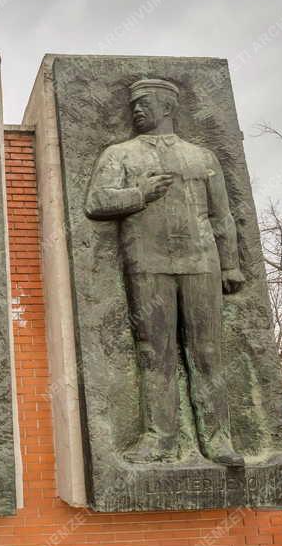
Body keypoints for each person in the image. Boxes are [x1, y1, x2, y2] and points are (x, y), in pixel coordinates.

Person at [86, 78, 245, 467]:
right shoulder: (119, 154)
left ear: (169, 108)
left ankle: (218, 439)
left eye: (145, 103)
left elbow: (220, 214)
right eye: (133, 105)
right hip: (148, 263)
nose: (136, 110)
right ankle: (160, 438)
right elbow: (96, 201)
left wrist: (230, 263)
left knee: (207, 352)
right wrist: (138, 194)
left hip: (200, 263)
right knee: (154, 352)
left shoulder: (201, 157)